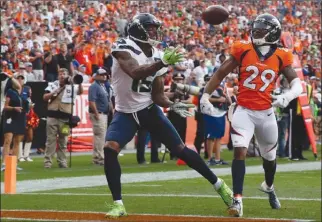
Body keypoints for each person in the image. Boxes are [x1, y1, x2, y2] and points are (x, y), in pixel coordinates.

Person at [103, 13, 233, 218]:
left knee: (180, 149)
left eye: (156, 28)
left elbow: (157, 95)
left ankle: (220, 186)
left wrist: (172, 104)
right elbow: (135, 71)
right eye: (151, 27)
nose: (155, 31)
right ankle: (118, 204)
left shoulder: (157, 55)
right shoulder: (124, 45)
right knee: (110, 149)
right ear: (138, 29)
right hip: (125, 113)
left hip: (147, 110)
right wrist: (161, 63)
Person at [200, 13, 303, 217]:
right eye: (255, 28)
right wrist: (205, 95)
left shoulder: (282, 55)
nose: (256, 32)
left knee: (270, 160)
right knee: (240, 150)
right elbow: (220, 73)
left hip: (266, 113)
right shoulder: (243, 50)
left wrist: (287, 96)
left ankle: (269, 186)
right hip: (244, 110)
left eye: (261, 30)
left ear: (272, 33)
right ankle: (237, 200)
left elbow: (297, 83)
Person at [42, 68, 83, 168]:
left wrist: (79, 82)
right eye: (60, 74)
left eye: (64, 74)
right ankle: (48, 162)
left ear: (68, 75)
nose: (62, 76)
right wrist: (57, 90)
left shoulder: (72, 86)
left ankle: (62, 161)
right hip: (52, 116)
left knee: (63, 140)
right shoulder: (53, 85)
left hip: (65, 118)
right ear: (57, 76)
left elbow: (80, 92)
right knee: (50, 140)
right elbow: (45, 97)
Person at [1, 73, 30, 171]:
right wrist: (14, 108)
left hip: (21, 117)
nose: (20, 80)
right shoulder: (10, 91)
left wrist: (29, 107)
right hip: (10, 117)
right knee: (8, 140)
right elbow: (5, 106)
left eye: (22, 78)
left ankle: (14, 163)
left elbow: (26, 105)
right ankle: (4, 163)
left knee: (17, 141)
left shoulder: (26, 91)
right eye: (18, 78)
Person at [88, 68, 110, 165]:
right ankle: (99, 158)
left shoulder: (102, 86)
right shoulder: (94, 86)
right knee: (99, 137)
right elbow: (91, 101)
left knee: (102, 136)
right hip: (99, 113)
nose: (104, 76)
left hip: (103, 113)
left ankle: (99, 157)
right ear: (96, 76)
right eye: (101, 75)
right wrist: (96, 113)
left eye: (105, 74)